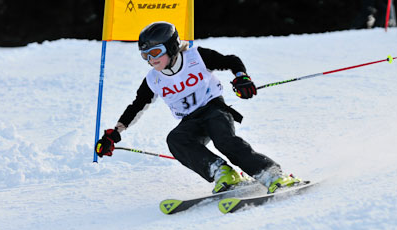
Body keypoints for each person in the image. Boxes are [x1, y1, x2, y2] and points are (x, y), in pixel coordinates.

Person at [95, 21, 301, 194]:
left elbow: (231, 61)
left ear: (172, 46)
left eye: (155, 52)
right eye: (145, 55)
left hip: (214, 110)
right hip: (190, 121)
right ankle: (222, 172)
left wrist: (241, 77)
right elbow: (137, 106)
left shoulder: (196, 57)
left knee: (224, 141)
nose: (151, 59)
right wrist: (114, 133)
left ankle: (272, 174)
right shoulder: (153, 79)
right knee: (176, 139)